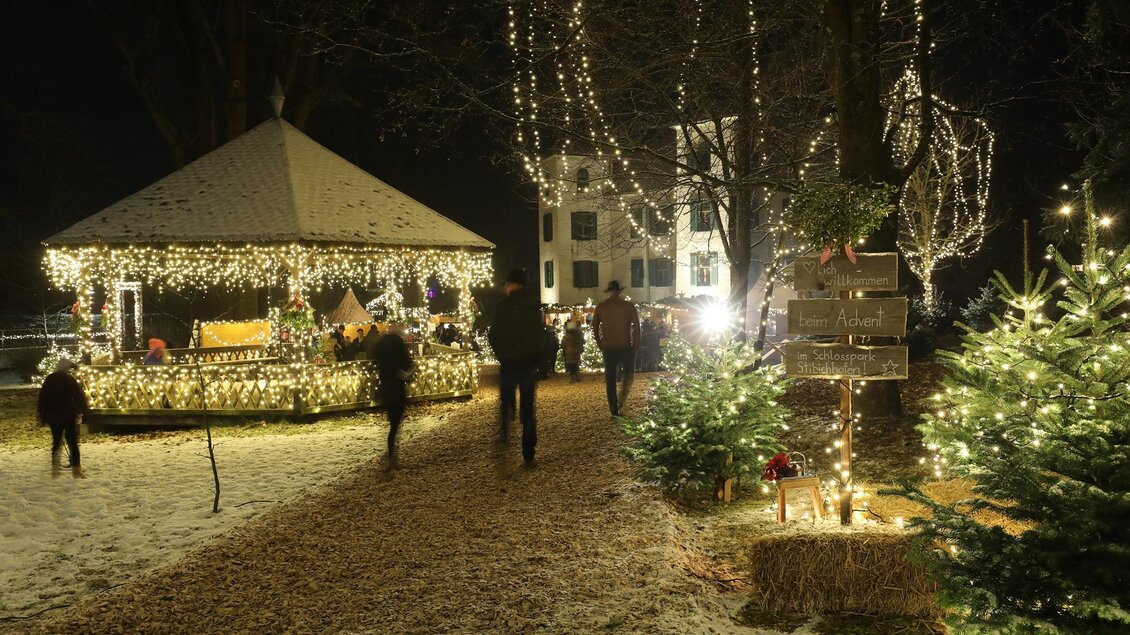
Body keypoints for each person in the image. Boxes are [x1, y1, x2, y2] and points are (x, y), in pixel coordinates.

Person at [488, 267, 544, 465]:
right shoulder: (534, 307)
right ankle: (528, 452)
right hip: (528, 364)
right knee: (528, 410)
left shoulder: (503, 306)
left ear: (511, 284)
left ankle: (504, 433)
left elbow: (492, 335)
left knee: (506, 400)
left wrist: (502, 353)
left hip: (509, 362)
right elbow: (540, 335)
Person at [591, 280, 641, 417]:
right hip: (625, 345)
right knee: (628, 375)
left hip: (609, 346)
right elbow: (637, 326)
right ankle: (621, 400)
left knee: (610, 378)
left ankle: (613, 408)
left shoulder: (601, 306)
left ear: (609, 291)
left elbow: (594, 326)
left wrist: (599, 342)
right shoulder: (628, 306)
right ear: (620, 292)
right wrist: (636, 343)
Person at [37, 358, 89, 478]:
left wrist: (42, 416)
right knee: (72, 443)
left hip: (53, 416)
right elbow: (79, 397)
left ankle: (55, 469)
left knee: (56, 442)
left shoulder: (49, 380)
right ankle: (76, 470)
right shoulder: (69, 380)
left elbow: (43, 399)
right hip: (68, 415)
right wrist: (84, 412)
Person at [374, 323, 414, 470]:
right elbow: (407, 363)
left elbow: (375, 358)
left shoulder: (381, 345)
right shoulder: (398, 345)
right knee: (395, 425)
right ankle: (392, 455)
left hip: (385, 387)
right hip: (397, 387)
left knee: (392, 423)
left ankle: (391, 453)